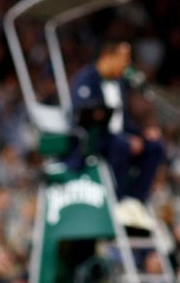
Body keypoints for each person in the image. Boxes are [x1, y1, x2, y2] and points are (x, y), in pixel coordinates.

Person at [70, 38, 165, 208]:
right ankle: (117, 200)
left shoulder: (120, 83)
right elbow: (84, 118)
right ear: (108, 56)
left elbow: (123, 121)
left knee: (155, 146)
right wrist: (125, 139)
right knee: (122, 145)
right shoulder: (86, 79)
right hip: (96, 139)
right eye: (124, 59)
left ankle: (136, 201)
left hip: (119, 135)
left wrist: (143, 133)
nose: (127, 64)